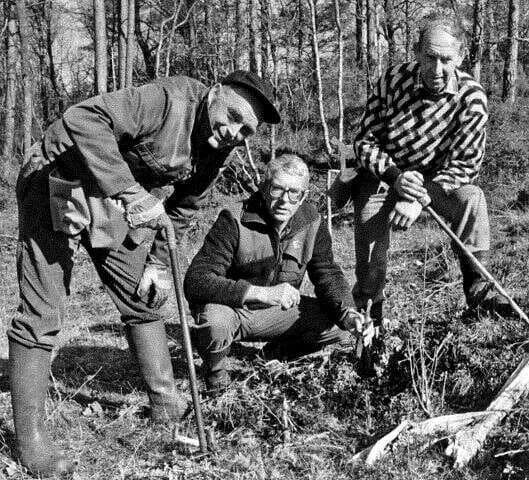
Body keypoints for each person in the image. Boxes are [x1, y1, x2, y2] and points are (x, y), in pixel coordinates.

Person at [9, 70, 280, 477]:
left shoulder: (218, 146)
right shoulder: (165, 101)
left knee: (142, 295)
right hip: (57, 176)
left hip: (109, 196)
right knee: (43, 312)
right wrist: (132, 193)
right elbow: (82, 118)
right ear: (215, 93)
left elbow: (186, 205)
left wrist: (156, 264)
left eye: (247, 131)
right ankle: (30, 440)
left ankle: (166, 405)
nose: (235, 132)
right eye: (234, 116)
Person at [346, 12, 513, 327]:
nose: (437, 69)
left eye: (446, 60)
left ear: (460, 56)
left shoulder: (472, 97)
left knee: (472, 199)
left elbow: (466, 165)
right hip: (386, 176)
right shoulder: (392, 81)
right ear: (417, 51)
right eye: (430, 57)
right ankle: (369, 318)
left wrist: (419, 196)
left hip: (437, 183)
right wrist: (396, 178)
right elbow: (364, 142)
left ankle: (480, 295)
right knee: (370, 249)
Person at [184, 154, 369, 393]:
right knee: (215, 323)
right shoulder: (234, 219)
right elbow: (196, 280)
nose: (284, 200)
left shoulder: (312, 221)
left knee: (338, 325)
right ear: (264, 188)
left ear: (303, 196)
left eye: (294, 193)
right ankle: (215, 372)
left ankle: (275, 354)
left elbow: (327, 274)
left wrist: (349, 313)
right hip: (233, 309)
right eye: (277, 190)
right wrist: (259, 293)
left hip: (276, 315)